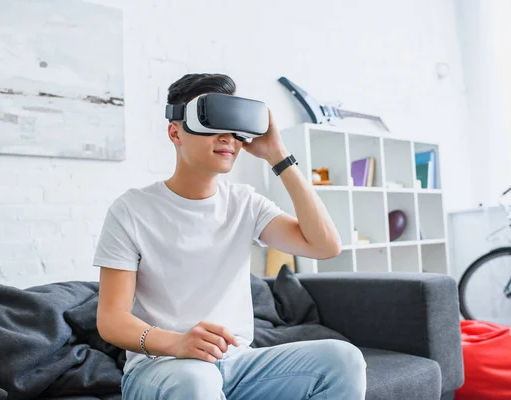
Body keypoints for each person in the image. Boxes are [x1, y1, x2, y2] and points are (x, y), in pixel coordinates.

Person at [93, 73, 367, 399]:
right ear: (175, 131)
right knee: (197, 380)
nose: (227, 137)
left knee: (343, 359)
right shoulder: (131, 210)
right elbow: (111, 319)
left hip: (238, 364)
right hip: (162, 367)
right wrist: (177, 342)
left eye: (233, 126)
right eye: (212, 122)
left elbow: (325, 246)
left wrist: (278, 156)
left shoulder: (245, 204)